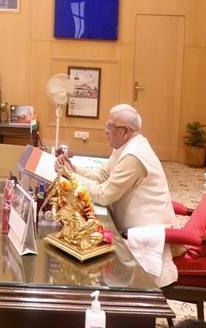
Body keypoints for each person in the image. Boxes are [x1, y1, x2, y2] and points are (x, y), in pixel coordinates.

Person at [54, 104, 178, 287]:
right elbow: (103, 175)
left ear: (125, 131)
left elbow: (105, 195)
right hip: (129, 227)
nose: (106, 130)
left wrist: (71, 177)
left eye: (110, 126)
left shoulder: (133, 156)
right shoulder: (126, 145)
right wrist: (74, 169)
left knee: (85, 253)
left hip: (145, 235)